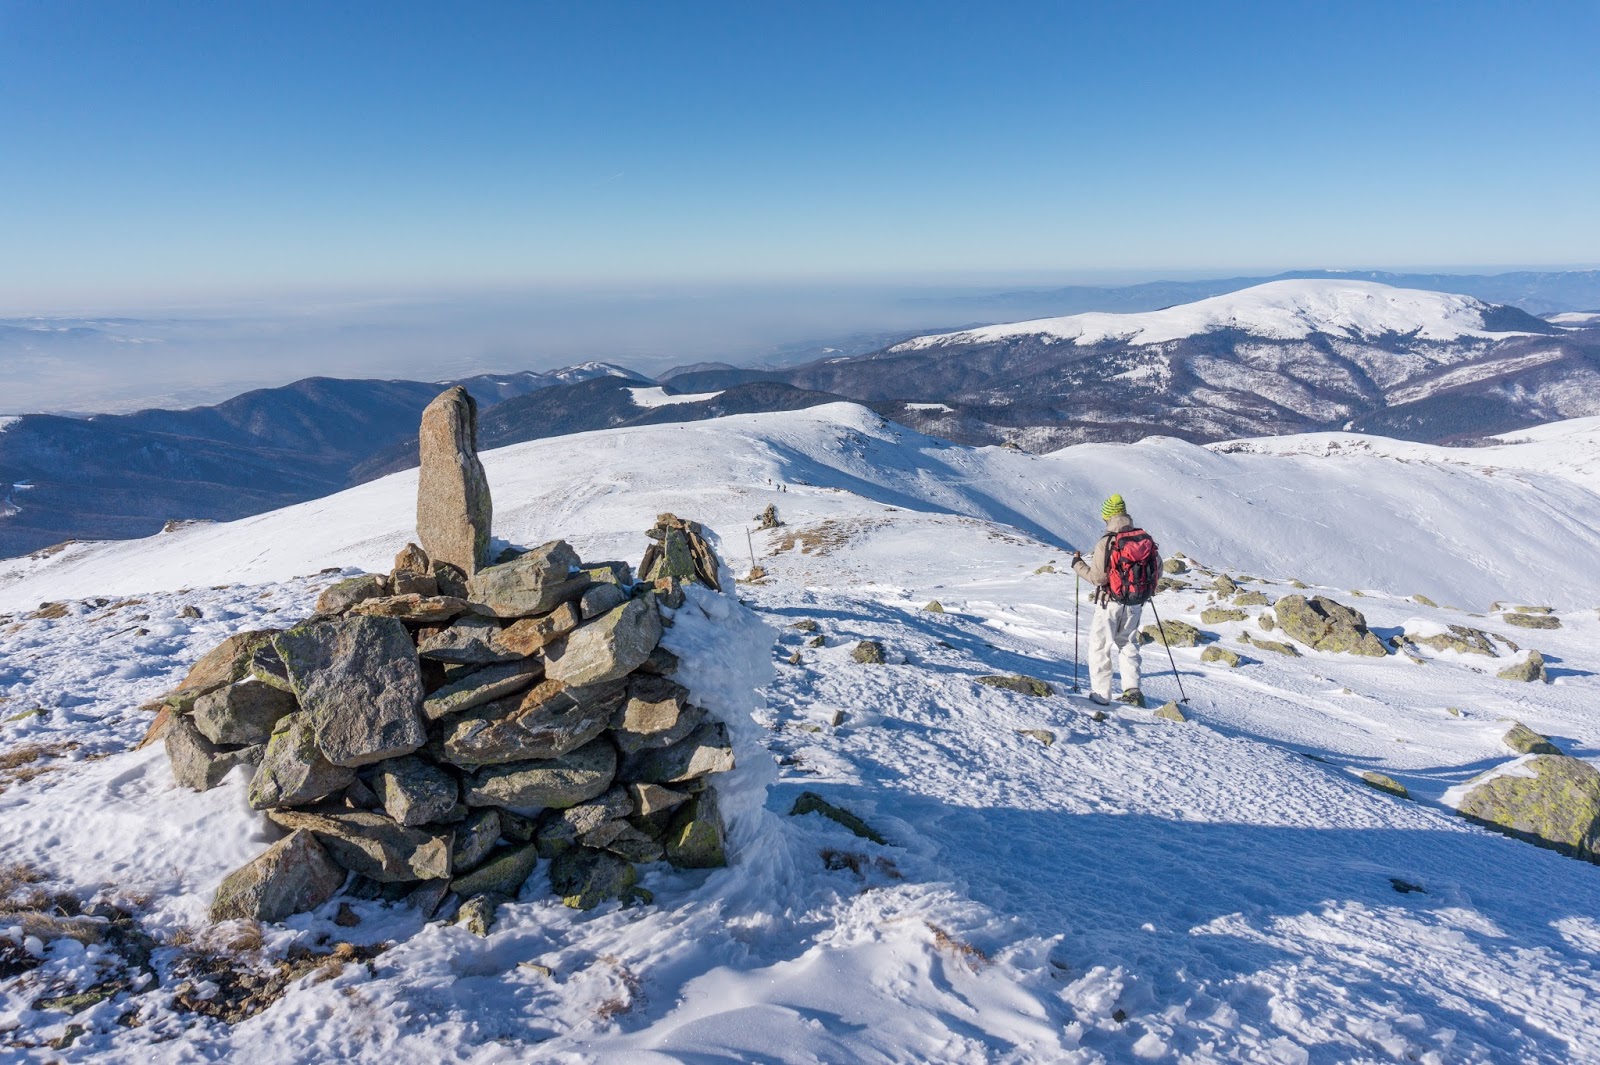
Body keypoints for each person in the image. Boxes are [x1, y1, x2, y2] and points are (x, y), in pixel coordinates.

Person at [1071, 494, 1162, 708]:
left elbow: (1098, 577)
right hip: (1136, 601)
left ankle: (1101, 694)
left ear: (1107, 517)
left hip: (1110, 602)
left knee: (1100, 645)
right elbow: (1158, 569)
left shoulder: (1107, 542)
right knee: (1129, 643)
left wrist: (1077, 564)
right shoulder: (1143, 539)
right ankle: (1133, 691)